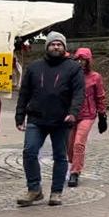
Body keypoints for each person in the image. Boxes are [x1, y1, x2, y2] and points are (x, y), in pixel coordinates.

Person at [14, 33, 84, 206]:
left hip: (61, 120)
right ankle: (34, 189)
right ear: (47, 47)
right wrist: (20, 115)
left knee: (60, 156)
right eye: (52, 44)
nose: (56, 47)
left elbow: (78, 93)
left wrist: (73, 112)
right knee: (29, 152)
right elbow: (24, 93)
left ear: (64, 47)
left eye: (59, 44)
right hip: (36, 119)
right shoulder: (34, 67)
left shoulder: (73, 68)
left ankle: (56, 192)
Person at [66, 48, 107, 188]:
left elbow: (100, 97)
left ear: (88, 61)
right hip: (72, 113)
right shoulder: (70, 75)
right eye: (78, 59)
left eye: (83, 60)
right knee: (70, 145)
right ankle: (73, 163)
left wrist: (102, 116)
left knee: (79, 143)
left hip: (88, 114)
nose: (81, 62)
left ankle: (75, 172)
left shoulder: (95, 77)